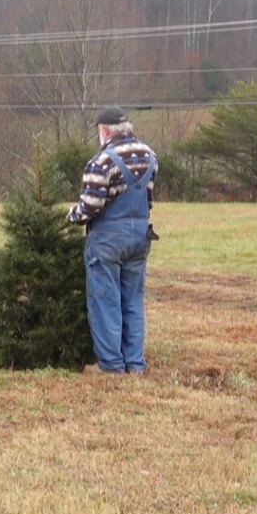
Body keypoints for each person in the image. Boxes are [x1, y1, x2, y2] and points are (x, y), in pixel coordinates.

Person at [67, 105, 158, 374]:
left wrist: (70, 216)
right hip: (140, 236)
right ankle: (135, 364)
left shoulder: (101, 162)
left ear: (105, 131)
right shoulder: (150, 156)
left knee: (105, 300)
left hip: (108, 239)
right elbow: (148, 200)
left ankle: (111, 367)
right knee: (132, 300)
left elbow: (89, 208)